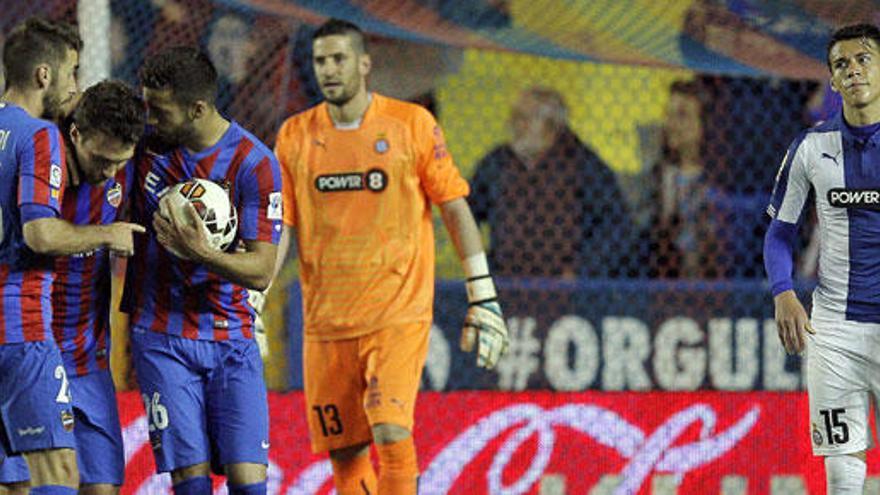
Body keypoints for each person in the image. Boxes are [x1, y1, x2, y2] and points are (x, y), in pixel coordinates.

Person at [274, 19, 509, 494]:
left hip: (395, 314)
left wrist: (482, 295)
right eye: (321, 61)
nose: (329, 70)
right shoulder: (295, 137)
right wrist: (256, 293)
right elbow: (284, 226)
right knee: (346, 452)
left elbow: (455, 208)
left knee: (390, 430)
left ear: (364, 63)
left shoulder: (412, 125)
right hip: (326, 321)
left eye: (339, 59)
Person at [121, 46, 282, 495]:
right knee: (191, 488)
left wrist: (200, 252)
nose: (150, 119)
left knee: (249, 487)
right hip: (162, 336)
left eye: (160, 110)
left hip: (231, 337)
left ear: (197, 109)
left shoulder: (255, 163)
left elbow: (262, 270)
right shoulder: (144, 150)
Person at [0, 18, 144, 495]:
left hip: (74, 353)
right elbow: (40, 234)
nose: (74, 86)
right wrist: (106, 235)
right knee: (55, 476)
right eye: (72, 72)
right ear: (45, 75)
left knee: (28, 485)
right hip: (25, 332)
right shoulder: (41, 140)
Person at [765, 23, 880, 494]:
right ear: (832, 81)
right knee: (842, 474)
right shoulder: (811, 148)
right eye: (841, 65)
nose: (853, 70)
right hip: (834, 329)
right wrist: (784, 291)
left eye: (864, 59)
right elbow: (778, 233)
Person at [469, 86, 632, 278]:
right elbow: (467, 211)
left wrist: (580, 270)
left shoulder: (583, 164)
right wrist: (480, 263)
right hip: (506, 280)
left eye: (525, 118)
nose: (516, 125)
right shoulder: (498, 161)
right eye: (515, 117)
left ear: (552, 126)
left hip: (562, 286)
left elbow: (617, 224)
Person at [643, 80, 722, 278]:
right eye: (668, 114)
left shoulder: (719, 180)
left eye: (682, 115)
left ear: (704, 122)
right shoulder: (657, 178)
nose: (671, 124)